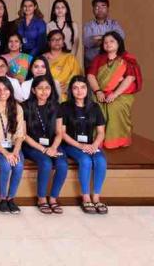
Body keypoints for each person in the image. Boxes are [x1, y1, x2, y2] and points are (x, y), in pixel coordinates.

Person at [60, 76, 109, 214]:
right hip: (71, 144)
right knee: (85, 160)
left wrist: (95, 145)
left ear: (88, 89)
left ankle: (96, 197)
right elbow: (62, 133)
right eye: (75, 88)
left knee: (101, 160)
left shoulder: (95, 107)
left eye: (82, 87)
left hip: (91, 144)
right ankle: (86, 197)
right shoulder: (64, 107)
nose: (79, 91)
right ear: (71, 91)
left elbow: (101, 132)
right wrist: (80, 146)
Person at [87, 31, 142, 149]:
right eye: (105, 42)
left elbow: (130, 78)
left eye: (112, 41)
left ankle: (117, 141)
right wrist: (98, 91)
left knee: (114, 107)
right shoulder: (98, 59)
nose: (108, 44)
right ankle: (98, 140)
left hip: (121, 94)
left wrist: (115, 94)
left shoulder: (127, 59)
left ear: (119, 43)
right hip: (100, 93)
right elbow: (90, 76)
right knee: (95, 107)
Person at [21, 77, 68, 215]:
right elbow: (24, 135)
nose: (44, 91)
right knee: (46, 163)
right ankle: (41, 199)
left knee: (62, 165)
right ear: (33, 90)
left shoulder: (56, 106)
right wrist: (43, 149)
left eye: (47, 88)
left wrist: (53, 148)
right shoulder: (25, 107)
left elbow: (59, 133)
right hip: (32, 146)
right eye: (40, 88)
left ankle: (53, 198)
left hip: (52, 144)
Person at [0, 77, 26, 214]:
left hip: (13, 147)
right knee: (5, 165)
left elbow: (20, 134)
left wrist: (15, 152)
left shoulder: (17, 108)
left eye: (5, 89)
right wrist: (6, 153)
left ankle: (11, 198)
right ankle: (2, 199)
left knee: (18, 165)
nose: (2, 92)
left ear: (10, 90)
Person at [83, 0, 126, 68]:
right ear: (93, 10)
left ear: (108, 9)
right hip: (92, 63)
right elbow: (87, 42)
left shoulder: (114, 24)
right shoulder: (88, 26)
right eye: (97, 7)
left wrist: (98, 38)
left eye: (103, 6)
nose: (100, 9)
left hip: (112, 63)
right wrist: (110, 40)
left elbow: (121, 37)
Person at [45, 30, 83, 101]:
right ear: (49, 43)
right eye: (53, 39)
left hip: (67, 93)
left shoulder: (70, 58)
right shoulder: (42, 58)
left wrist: (68, 86)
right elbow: (39, 78)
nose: (57, 41)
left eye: (59, 39)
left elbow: (77, 76)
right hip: (47, 92)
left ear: (63, 42)